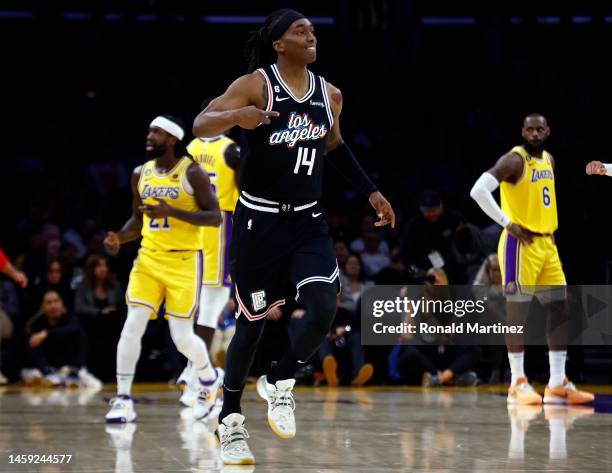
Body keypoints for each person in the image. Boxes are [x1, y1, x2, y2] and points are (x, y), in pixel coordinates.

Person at [193, 8, 395, 465]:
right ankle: (229, 419)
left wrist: (372, 192)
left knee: (325, 303)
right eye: (298, 31)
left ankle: (280, 381)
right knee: (252, 323)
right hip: (257, 223)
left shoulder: (331, 94)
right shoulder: (257, 85)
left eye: (312, 30)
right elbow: (200, 124)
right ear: (278, 44)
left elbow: (335, 146)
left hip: (307, 220)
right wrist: (237, 116)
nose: (310, 35)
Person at [103, 115, 223, 423]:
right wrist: (120, 237)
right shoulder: (139, 174)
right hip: (148, 260)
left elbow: (214, 217)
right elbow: (137, 221)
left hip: (184, 261)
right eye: (149, 130)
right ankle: (123, 399)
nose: (149, 135)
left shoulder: (192, 172)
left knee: (182, 337)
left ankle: (209, 379)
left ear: (172, 139)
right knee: (133, 325)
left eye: (156, 131)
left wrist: (173, 211)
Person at [470, 113, 593, 405]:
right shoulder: (514, 160)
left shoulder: (549, 159)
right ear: (523, 132)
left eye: (540, 129)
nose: (535, 134)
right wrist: (506, 222)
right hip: (519, 244)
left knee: (559, 309)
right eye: (530, 129)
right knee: (517, 314)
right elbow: (478, 190)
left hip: (547, 244)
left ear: (547, 131)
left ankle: (557, 382)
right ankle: (517, 382)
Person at [175, 103, 240, 411]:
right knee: (208, 312)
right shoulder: (232, 150)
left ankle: (194, 374)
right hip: (220, 226)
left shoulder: (190, 147)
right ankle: (199, 376)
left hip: (192, 226)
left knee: (199, 309)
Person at [399, 190, 469, 283]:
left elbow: (466, 246)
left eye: (433, 210)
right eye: (427, 211)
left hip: (452, 273)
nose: (431, 214)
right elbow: (404, 253)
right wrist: (413, 270)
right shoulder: (414, 224)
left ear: (441, 205)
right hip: (424, 275)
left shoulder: (455, 219)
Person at [23, 290, 88, 387]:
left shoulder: (71, 319)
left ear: (62, 304)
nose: (53, 305)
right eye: (49, 303)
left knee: (81, 335)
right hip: (48, 366)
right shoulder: (37, 323)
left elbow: (73, 329)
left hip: (69, 365)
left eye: (56, 301)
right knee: (32, 341)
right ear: (42, 307)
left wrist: (47, 333)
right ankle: (46, 372)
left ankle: (74, 372)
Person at [74, 254, 124, 381]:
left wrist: (111, 311)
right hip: (91, 327)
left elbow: (122, 306)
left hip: (111, 327)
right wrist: (99, 312)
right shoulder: (83, 286)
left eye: (105, 266)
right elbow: (79, 307)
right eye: (99, 266)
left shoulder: (115, 286)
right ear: (91, 268)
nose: (103, 269)